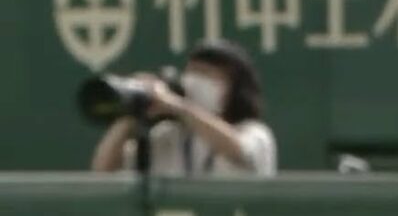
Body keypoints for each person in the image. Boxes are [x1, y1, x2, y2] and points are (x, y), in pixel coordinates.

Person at [91, 40, 276, 176]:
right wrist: (130, 114)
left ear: (233, 88)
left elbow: (239, 151)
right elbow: (103, 171)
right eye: (192, 71)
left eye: (205, 73)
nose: (193, 80)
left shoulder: (255, 133)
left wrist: (177, 106)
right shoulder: (168, 136)